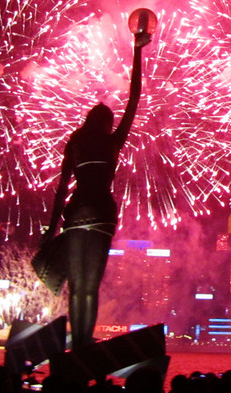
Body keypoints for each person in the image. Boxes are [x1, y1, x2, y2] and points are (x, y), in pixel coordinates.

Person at [43, 27, 151, 350]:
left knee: (76, 287)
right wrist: (137, 50)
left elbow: (62, 189)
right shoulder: (111, 142)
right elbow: (134, 98)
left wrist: (50, 230)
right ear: (107, 123)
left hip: (76, 215)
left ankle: (77, 343)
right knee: (91, 285)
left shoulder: (74, 143)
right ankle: (85, 342)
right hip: (102, 215)